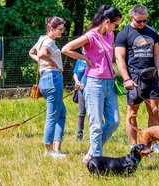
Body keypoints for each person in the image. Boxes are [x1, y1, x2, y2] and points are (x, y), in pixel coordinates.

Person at [62, 5, 122, 163]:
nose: (116, 28)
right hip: (94, 82)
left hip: (110, 82)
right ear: (107, 21)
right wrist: (85, 59)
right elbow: (66, 49)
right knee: (95, 124)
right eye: (116, 25)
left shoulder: (110, 35)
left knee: (114, 121)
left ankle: (92, 152)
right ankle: (97, 160)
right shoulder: (91, 35)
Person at [115, 5, 159, 146]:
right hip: (134, 77)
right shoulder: (123, 34)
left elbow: (157, 54)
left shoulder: (152, 32)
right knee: (132, 111)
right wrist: (126, 79)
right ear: (131, 17)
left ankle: (152, 144)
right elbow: (119, 58)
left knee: (154, 110)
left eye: (144, 20)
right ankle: (134, 145)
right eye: (139, 21)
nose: (142, 24)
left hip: (152, 76)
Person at [29, 16, 66, 158]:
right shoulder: (49, 41)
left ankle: (56, 148)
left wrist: (41, 61)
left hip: (45, 79)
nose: (62, 32)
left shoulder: (41, 39)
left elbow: (32, 52)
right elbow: (42, 53)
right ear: (51, 29)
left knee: (61, 113)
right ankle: (49, 151)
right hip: (52, 78)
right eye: (60, 29)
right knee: (52, 116)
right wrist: (52, 63)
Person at [73, 59, 87, 141]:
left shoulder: (93, 58)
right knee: (81, 113)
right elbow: (75, 73)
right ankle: (79, 134)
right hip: (80, 90)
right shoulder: (79, 61)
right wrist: (77, 81)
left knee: (93, 112)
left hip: (91, 89)